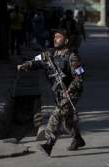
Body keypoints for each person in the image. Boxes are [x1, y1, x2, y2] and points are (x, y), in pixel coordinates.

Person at [17, 28, 86, 156]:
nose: (55, 39)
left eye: (58, 37)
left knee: (57, 114)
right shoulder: (50, 54)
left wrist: (69, 91)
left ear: (66, 40)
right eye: (54, 37)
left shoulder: (72, 56)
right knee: (67, 120)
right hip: (58, 92)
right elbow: (37, 61)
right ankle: (78, 139)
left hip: (71, 92)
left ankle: (48, 144)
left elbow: (80, 76)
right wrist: (27, 65)